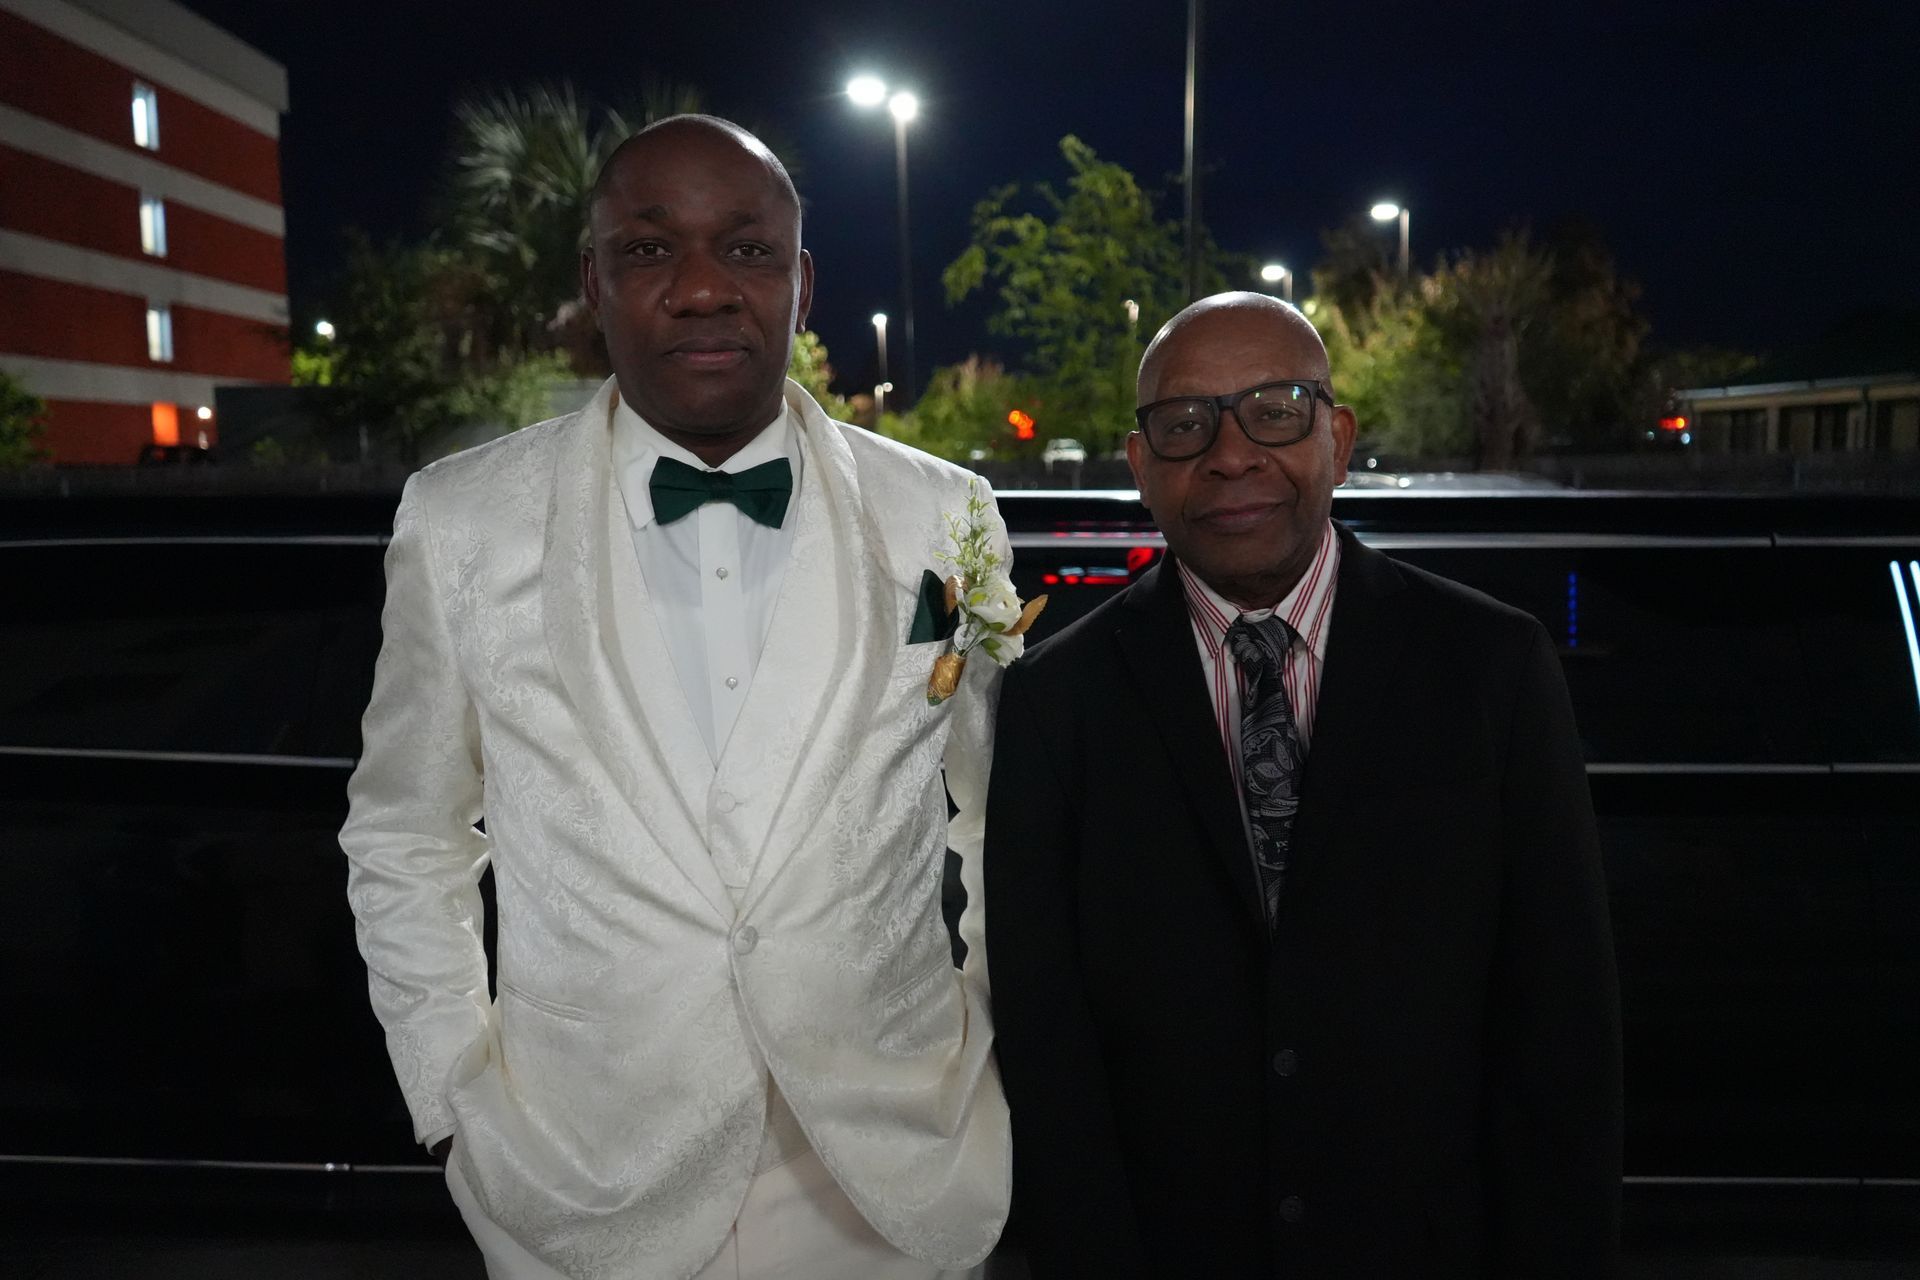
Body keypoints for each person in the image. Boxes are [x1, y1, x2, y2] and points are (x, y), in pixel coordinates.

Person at [340, 115, 1009, 1280]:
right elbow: (406, 831)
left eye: (747, 251)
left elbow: (1005, 816)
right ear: (592, 282)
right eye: (651, 252)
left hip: (892, 1178)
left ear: (801, 285)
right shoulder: (460, 521)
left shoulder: (946, 516)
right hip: (579, 1187)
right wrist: (450, 1090)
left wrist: (994, 1051)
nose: (703, 288)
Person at [983, 292, 1621, 1277]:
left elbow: (1561, 1026)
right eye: (1186, 424)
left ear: (1341, 436)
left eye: (1276, 408)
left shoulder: (1493, 668)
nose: (1231, 455)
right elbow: (1048, 1049)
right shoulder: (1052, 703)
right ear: (1141, 465)